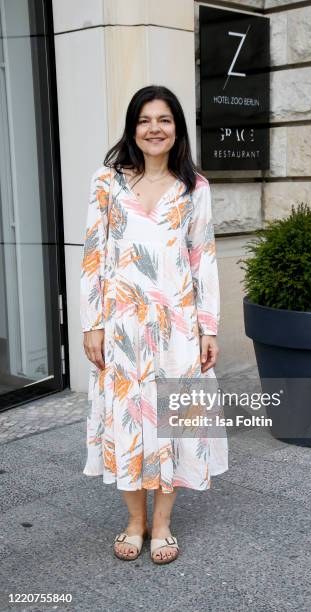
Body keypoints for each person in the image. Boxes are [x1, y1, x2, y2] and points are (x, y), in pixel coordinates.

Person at [80, 85, 228, 565]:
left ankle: (162, 524)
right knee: (126, 420)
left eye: (164, 120)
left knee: (174, 421)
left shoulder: (195, 188)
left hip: (178, 327)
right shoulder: (108, 183)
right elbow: (94, 257)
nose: (154, 129)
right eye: (145, 120)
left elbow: (203, 259)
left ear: (177, 129)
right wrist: (92, 323)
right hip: (122, 327)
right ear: (132, 128)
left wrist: (209, 328)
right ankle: (134, 522)